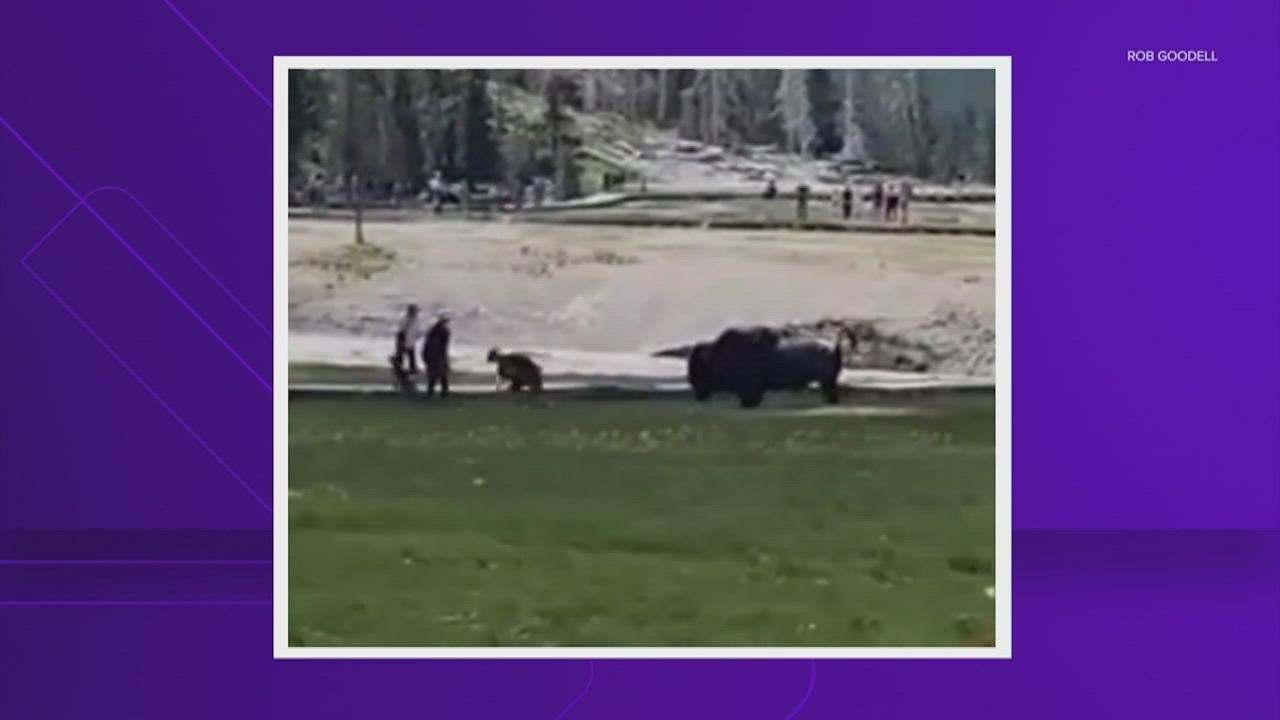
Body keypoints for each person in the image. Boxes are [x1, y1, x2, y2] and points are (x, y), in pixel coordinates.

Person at [422, 312, 452, 398]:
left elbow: (428, 345)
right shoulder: (443, 331)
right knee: (441, 375)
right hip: (437, 357)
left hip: (432, 356)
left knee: (434, 376)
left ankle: (432, 393)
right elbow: (443, 346)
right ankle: (443, 393)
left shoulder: (433, 330)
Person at [391, 303, 422, 377]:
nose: (416, 313)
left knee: (411, 357)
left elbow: (416, 330)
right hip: (404, 341)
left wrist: (418, 336)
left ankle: (412, 371)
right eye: (415, 311)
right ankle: (399, 371)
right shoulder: (404, 318)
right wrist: (401, 341)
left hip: (411, 341)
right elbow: (401, 330)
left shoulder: (416, 319)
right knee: (401, 357)